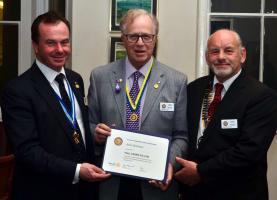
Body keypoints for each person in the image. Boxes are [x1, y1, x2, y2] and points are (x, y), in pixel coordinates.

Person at [1, 11, 110, 200]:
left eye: (65, 42)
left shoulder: (75, 80)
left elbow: (74, 129)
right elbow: (27, 151)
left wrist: (95, 137)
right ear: (36, 46)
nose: (60, 49)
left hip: (84, 191)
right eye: (51, 43)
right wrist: (77, 170)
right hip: (43, 191)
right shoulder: (17, 90)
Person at [88, 9, 188, 200]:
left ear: (155, 39)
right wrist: (96, 134)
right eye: (133, 36)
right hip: (112, 184)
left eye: (146, 36)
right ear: (123, 39)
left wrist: (168, 165)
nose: (140, 43)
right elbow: (90, 125)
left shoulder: (177, 81)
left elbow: (181, 136)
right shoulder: (100, 77)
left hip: (155, 185)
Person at [174, 29, 277, 200]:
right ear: (207, 57)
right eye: (215, 51)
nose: (221, 57)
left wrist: (200, 172)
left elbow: (249, 151)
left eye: (228, 50)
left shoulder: (262, 96)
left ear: (242, 55)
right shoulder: (193, 89)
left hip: (238, 193)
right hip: (194, 193)